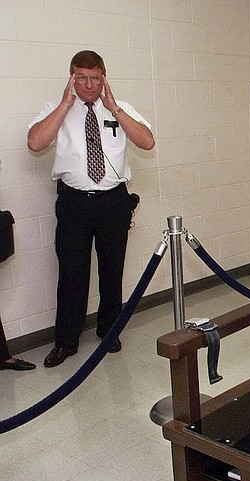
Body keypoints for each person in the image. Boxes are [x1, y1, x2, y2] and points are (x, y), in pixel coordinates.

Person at [27, 50, 154, 367]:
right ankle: (66, 341)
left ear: (104, 78)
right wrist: (65, 105)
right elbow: (36, 143)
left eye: (94, 77)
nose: (88, 84)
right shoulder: (56, 110)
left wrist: (114, 110)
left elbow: (147, 142)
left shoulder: (121, 108)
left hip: (113, 200)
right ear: (71, 78)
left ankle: (109, 331)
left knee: (112, 270)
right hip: (73, 203)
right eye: (80, 77)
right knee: (71, 272)